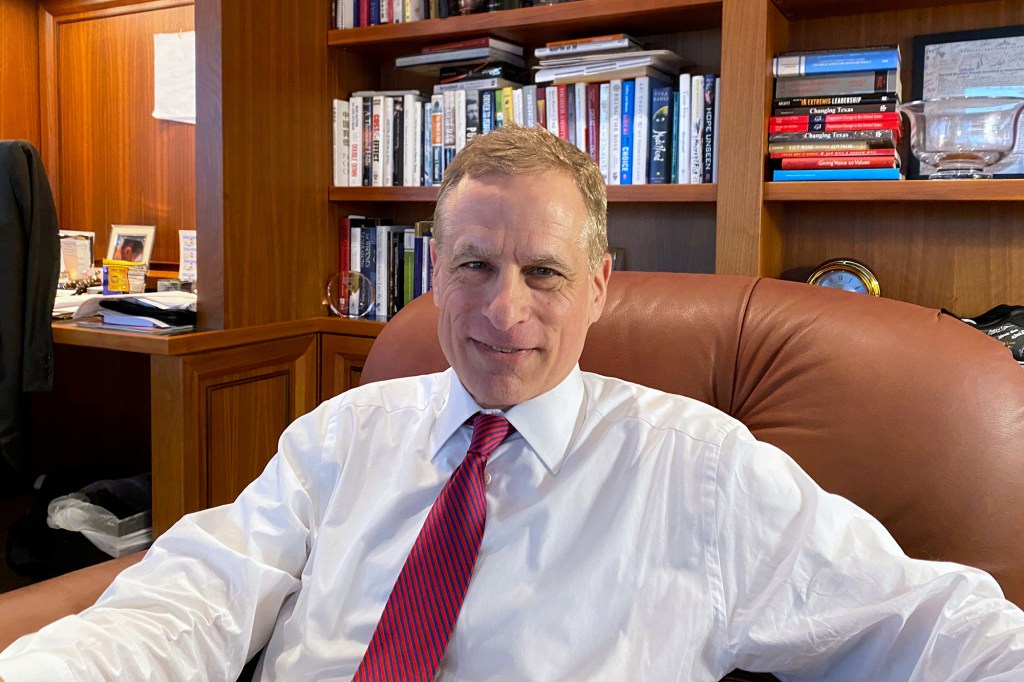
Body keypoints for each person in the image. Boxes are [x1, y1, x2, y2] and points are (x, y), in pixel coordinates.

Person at [1, 125, 1024, 681]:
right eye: (473, 265)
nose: (504, 311)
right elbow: (197, 591)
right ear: (432, 275)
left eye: (542, 271)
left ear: (599, 287)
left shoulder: (700, 468)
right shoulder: (344, 433)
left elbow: (929, 625)